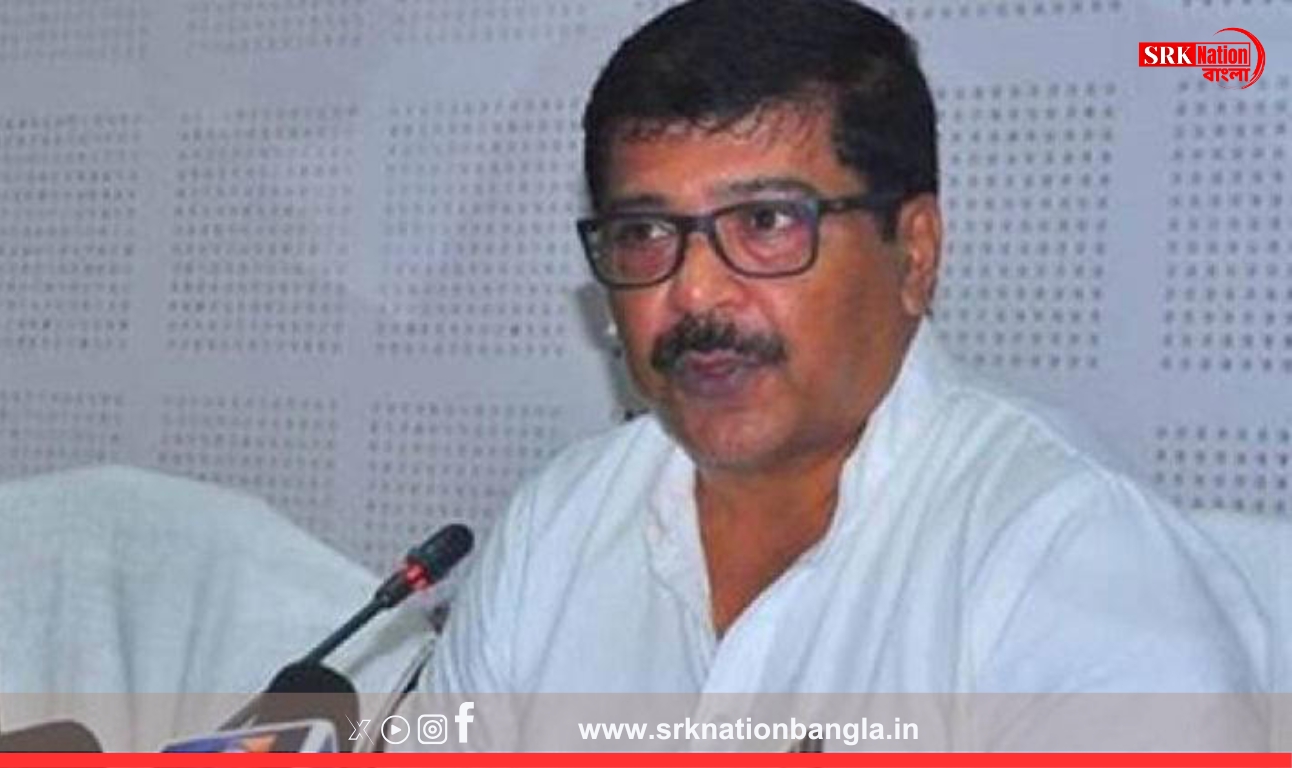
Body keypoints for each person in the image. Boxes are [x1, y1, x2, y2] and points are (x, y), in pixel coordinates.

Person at [413, 0, 1266, 749]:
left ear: (914, 254)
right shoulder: (555, 530)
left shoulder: (1062, 552)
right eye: (644, 233)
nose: (694, 291)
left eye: (766, 222)